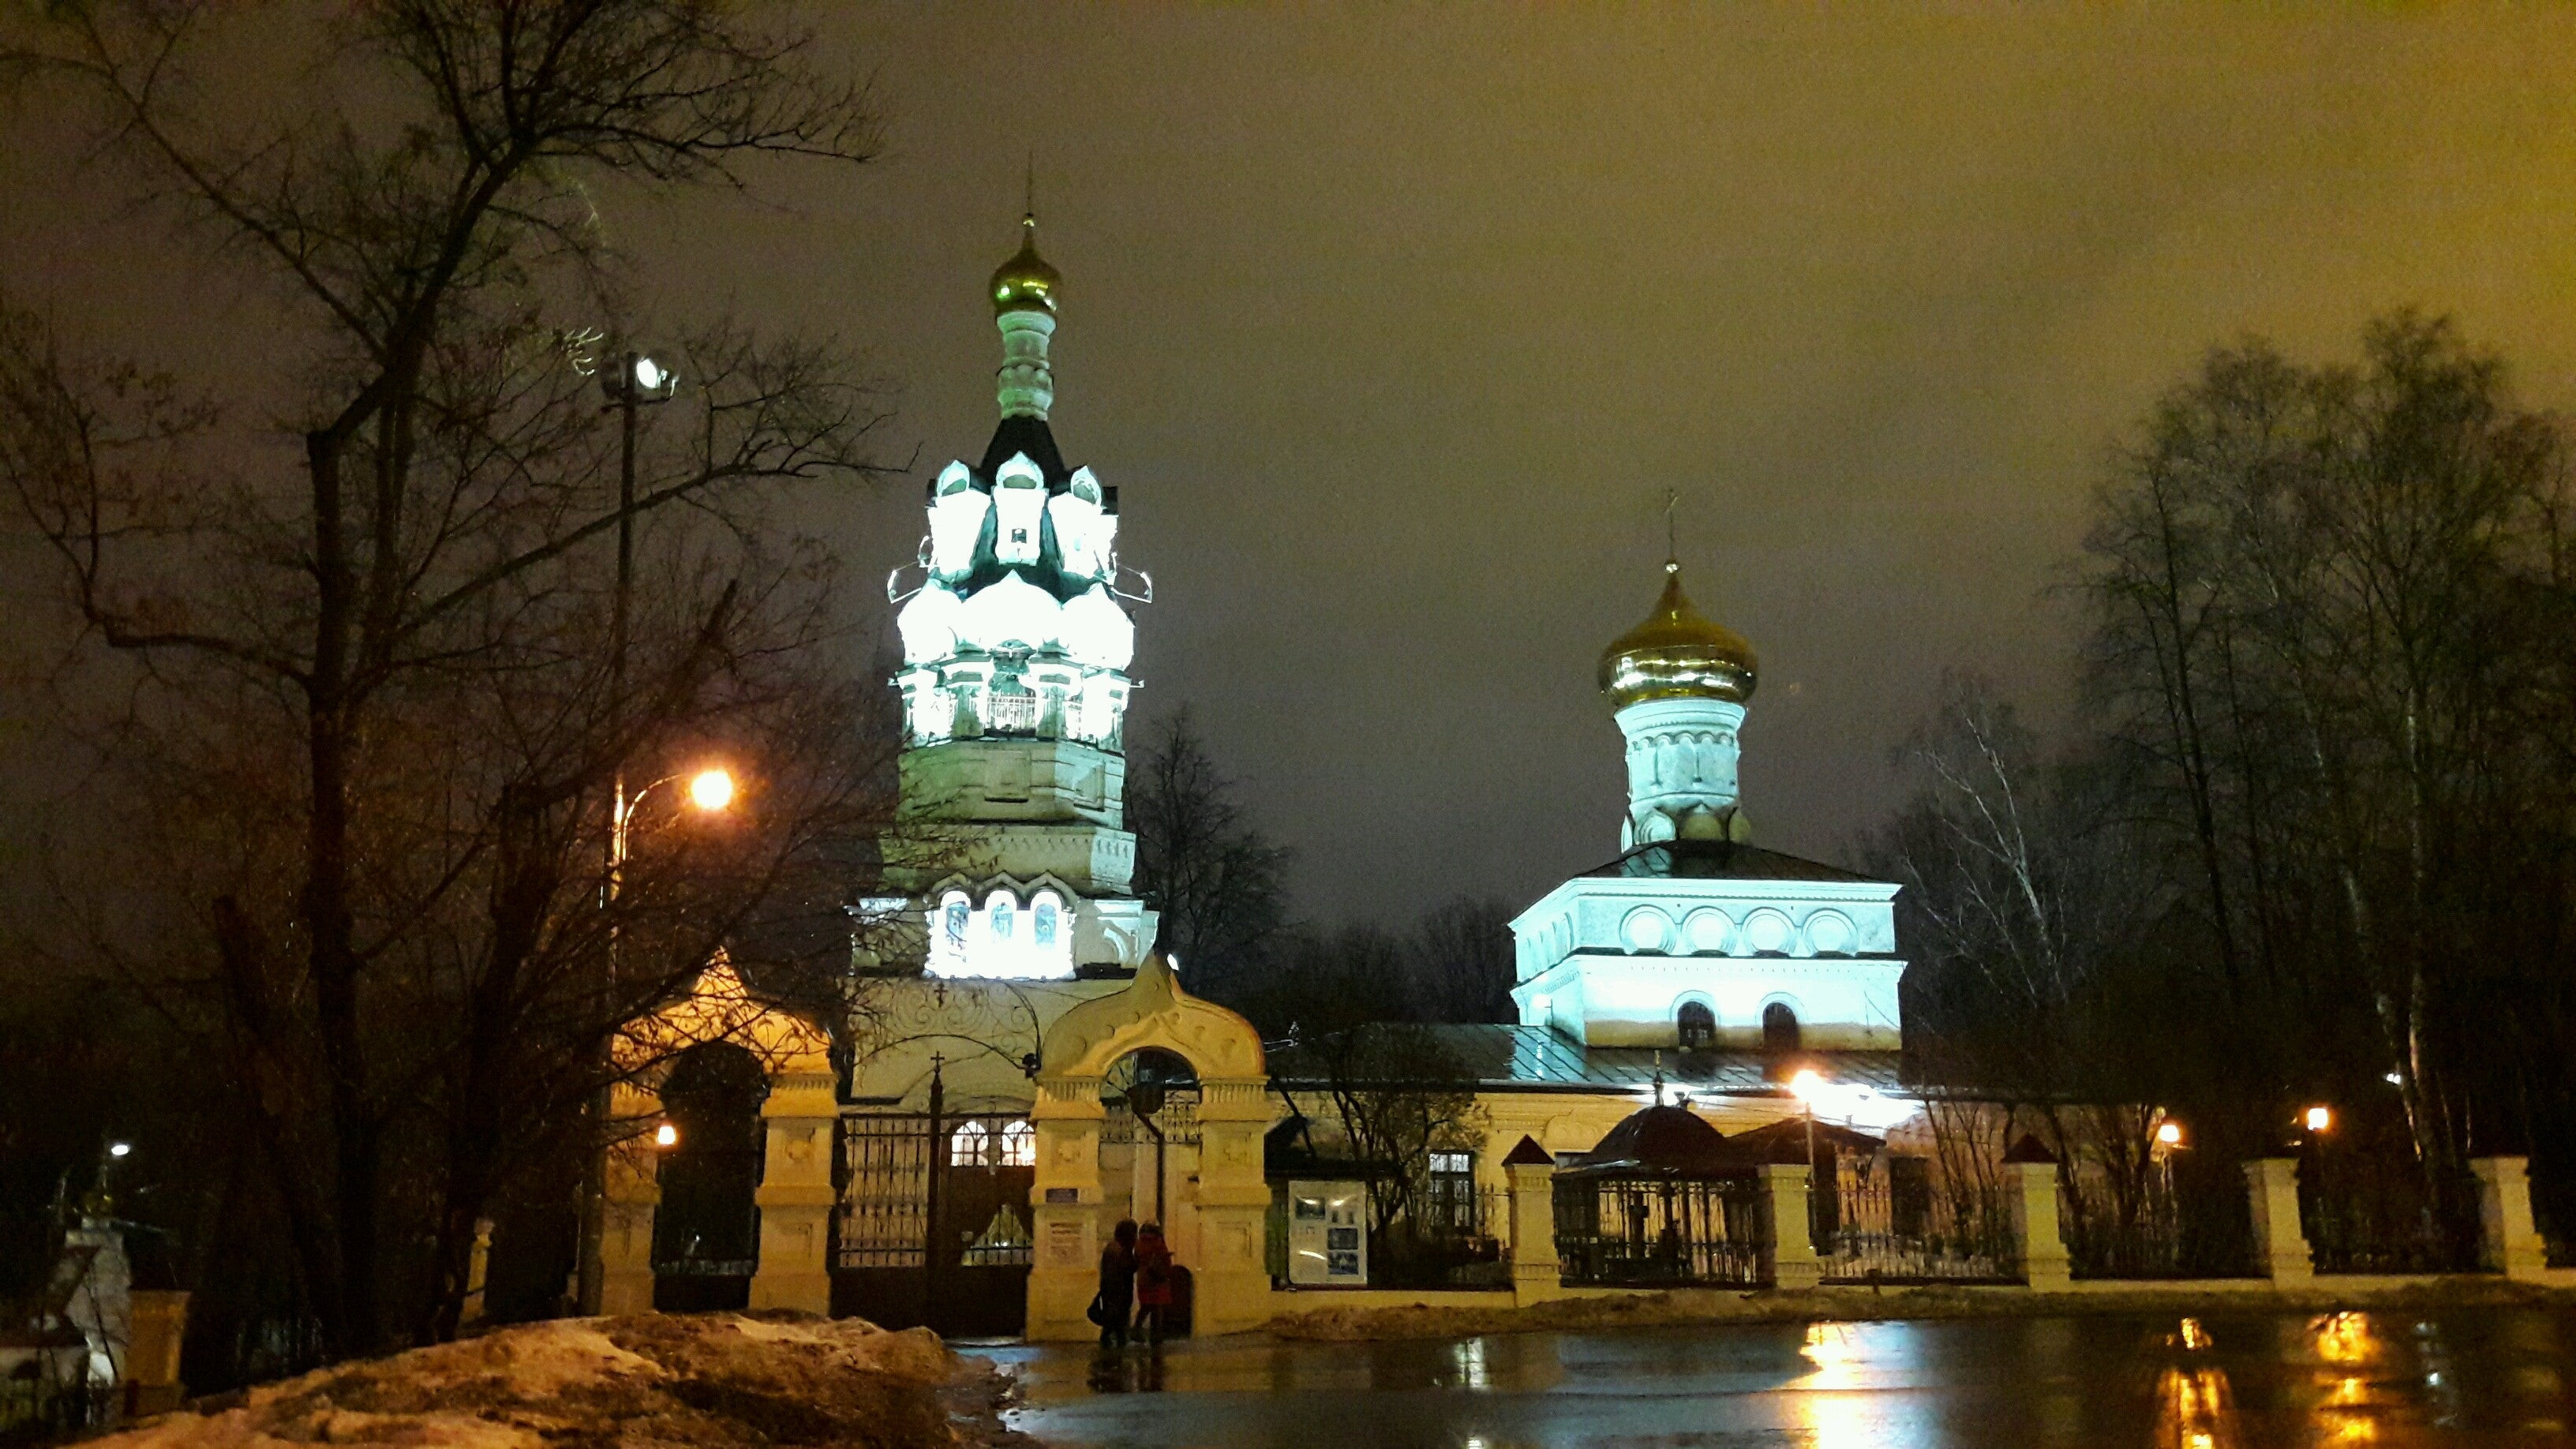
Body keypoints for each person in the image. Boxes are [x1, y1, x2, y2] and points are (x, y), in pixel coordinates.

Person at [1095, 1218, 1137, 1348]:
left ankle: (1116, 1337)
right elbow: (1127, 1267)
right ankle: (1115, 1339)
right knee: (1117, 1314)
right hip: (1118, 1288)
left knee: (1115, 1314)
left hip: (1114, 1288)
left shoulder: (1114, 1247)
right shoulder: (1119, 1249)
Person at [1133, 1221, 1175, 1346]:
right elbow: (1163, 1257)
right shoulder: (1158, 1241)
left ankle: (1136, 1329)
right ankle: (1156, 1335)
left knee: (1145, 1307)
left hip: (1144, 1278)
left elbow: (1137, 1259)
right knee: (1157, 1308)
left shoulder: (1139, 1243)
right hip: (1158, 1278)